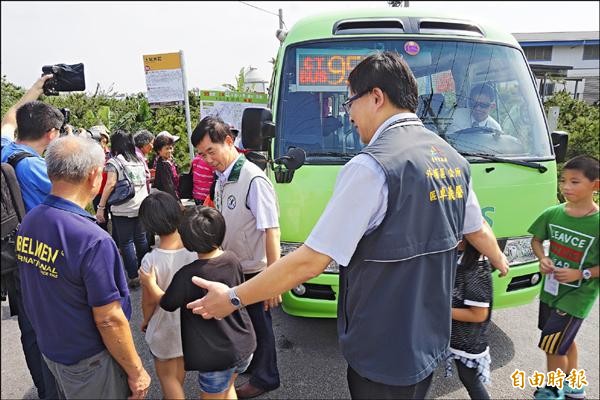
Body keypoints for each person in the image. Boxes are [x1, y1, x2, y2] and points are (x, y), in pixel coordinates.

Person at [186, 52, 509, 400]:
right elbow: (476, 229)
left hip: (383, 344)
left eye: (349, 101)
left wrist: (233, 298)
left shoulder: (371, 167)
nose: (349, 114)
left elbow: (311, 261)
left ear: (376, 97)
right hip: (429, 340)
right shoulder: (452, 159)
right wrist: (500, 261)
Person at [16, 135, 151, 399]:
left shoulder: (32, 219)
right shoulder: (92, 239)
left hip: (53, 348)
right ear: (94, 176)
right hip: (90, 360)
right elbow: (109, 318)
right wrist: (136, 371)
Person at [191, 116, 281, 398]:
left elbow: (272, 230)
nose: (207, 160)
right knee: (246, 324)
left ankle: (266, 378)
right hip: (235, 266)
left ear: (229, 141)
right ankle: (253, 367)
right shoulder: (222, 178)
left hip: (255, 269)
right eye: (202, 154)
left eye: (211, 151)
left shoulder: (253, 178)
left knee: (260, 325)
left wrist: (274, 280)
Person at [140, 206, 256, 400]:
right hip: (244, 345)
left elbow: (168, 303)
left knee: (219, 388)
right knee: (228, 388)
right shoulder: (232, 259)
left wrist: (150, 284)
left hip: (216, 355)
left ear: (188, 241)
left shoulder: (187, 275)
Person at [1, 74, 61, 399]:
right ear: (51, 134)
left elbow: (8, 118)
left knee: (28, 329)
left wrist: (37, 86)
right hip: (42, 260)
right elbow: (80, 199)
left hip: (12, 256)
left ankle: (42, 388)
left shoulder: (4, 151)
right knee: (50, 329)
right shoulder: (38, 168)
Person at [528, 155, 599, 400]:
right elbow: (536, 240)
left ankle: (553, 389)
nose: (566, 187)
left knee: (551, 344)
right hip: (551, 290)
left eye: (575, 182)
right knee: (563, 340)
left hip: (577, 296)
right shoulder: (553, 213)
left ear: (595, 185)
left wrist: (582, 273)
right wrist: (542, 258)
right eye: (563, 180)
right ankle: (574, 384)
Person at [138, 191, 196, 399]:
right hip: (191, 323)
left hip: (165, 325)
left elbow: (148, 301)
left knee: (167, 377)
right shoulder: (195, 250)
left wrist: (145, 320)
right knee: (178, 367)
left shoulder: (150, 261)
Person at [96, 129, 149, 288]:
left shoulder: (115, 162)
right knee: (141, 239)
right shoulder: (138, 160)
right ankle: (146, 271)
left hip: (123, 208)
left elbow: (110, 184)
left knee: (126, 242)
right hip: (141, 206)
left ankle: (133, 277)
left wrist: (101, 207)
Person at [445, 241, 493, 400]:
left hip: (467, 339)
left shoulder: (477, 267)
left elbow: (479, 314)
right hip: (454, 333)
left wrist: (441, 311)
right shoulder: (457, 255)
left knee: (469, 378)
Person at [152, 130, 180, 201]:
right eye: (167, 148)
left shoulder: (169, 161)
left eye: (171, 148)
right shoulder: (163, 165)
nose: (170, 151)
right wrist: (177, 201)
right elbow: (168, 186)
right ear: (159, 150)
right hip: (167, 198)